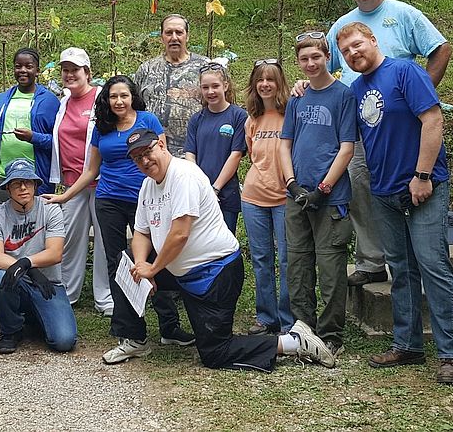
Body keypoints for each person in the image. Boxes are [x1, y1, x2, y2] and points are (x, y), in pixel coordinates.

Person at [294, 0, 453, 287]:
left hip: (402, 123)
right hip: (361, 122)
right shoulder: (342, 25)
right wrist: (304, 84)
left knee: (414, 189)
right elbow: (325, 66)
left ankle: (418, 260)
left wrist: (421, 93)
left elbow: (441, 48)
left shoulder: (404, 14)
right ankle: (371, 260)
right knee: (361, 188)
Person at [124, 129, 335, 371]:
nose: (144, 160)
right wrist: (142, 265)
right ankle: (134, 338)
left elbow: (180, 233)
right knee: (129, 265)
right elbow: (141, 231)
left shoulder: (183, 175)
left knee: (215, 353)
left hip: (215, 274)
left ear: (162, 145)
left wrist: (153, 270)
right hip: (181, 271)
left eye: (147, 151)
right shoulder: (148, 186)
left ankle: (294, 342)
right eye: (137, 157)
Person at [337, 22, 453, 385]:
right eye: (345, 52)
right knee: (401, 270)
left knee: (433, 266)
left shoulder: (405, 72)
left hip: (423, 188)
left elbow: (433, 120)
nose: (353, 54)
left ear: (373, 41)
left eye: (357, 45)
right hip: (385, 193)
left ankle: (450, 354)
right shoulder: (357, 89)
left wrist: (422, 176)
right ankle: (407, 344)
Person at [45, 75, 193, 362]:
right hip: (109, 200)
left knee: (157, 258)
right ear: (107, 100)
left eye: (124, 95)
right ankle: (130, 334)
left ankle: (169, 326)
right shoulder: (103, 127)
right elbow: (91, 171)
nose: (119, 101)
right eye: (113, 97)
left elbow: (165, 162)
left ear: (132, 96)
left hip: (147, 200)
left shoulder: (148, 120)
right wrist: (65, 196)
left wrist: (177, 191)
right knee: (118, 263)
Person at [281, 32, 357, 357]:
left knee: (331, 269)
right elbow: (285, 144)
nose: (311, 64)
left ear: (327, 57)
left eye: (316, 57)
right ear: (298, 62)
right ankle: (303, 330)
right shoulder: (297, 97)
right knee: (297, 265)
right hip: (297, 197)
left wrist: (323, 188)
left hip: (330, 199)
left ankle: (331, 336)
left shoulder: (343, 95)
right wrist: (292, 184)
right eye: (304, 59)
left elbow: (347, 147)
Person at [0, 159, 76, 354]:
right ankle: (11, 330)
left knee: (64, 341)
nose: (23, 188)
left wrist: (27, 262)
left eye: (28, 182)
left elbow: (55, 253)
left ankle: (34, 317)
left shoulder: (50, 209)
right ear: (8, 188)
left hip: (48, 283)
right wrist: (28, 268)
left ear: (35, 185)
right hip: (14, 280)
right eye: (16, 183)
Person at [48, 47, 111, 315]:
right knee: (71, 238)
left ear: (88, 73)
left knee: (104, 240)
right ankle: (68, 293)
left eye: (76, 69)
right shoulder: (63, 102)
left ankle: (105, 296)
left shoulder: (102, 99)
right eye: (66, 70)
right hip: (72, 184)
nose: (70, 74)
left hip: (101, 183)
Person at [241, 60, 293, 336]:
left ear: (279, 83)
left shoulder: (291, 113)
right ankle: (266, 317)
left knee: (287, 259)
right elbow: (252, 155)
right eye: (260, 79)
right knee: (262, 258)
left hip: (285, 198)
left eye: (270, 79)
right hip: (253, 198)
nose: (265, 84)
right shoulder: (253, 119)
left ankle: (287, 319)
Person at [0, 48, 60, 203]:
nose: (23, 70)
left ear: (37, 71)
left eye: (29, 66)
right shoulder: (2, 99)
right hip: (4, 175)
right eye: (18, 66)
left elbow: (58, 142)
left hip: (35, 177)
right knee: (4, 223)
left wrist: (33, 137)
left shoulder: (49, 101)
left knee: (37, 225)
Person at [184, 61, 247, 234]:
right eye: (205, 87)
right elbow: (190, 154)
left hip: (226, 194)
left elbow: (236, 154)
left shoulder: (239, 116)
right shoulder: (197, 119)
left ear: (225, 86)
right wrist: (202, 187)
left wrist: (215, 189)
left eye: (215, 86)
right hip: (199, 194)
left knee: (225, 243)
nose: (210, 92)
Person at [134, 14, 209, 156]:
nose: (174, 37)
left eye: (179, 32)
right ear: (161, 37)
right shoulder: (147, 69)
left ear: (187, 36)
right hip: (153, 154)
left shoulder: (205, 67)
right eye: (169, 33)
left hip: (197, 153)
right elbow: (134, 109)